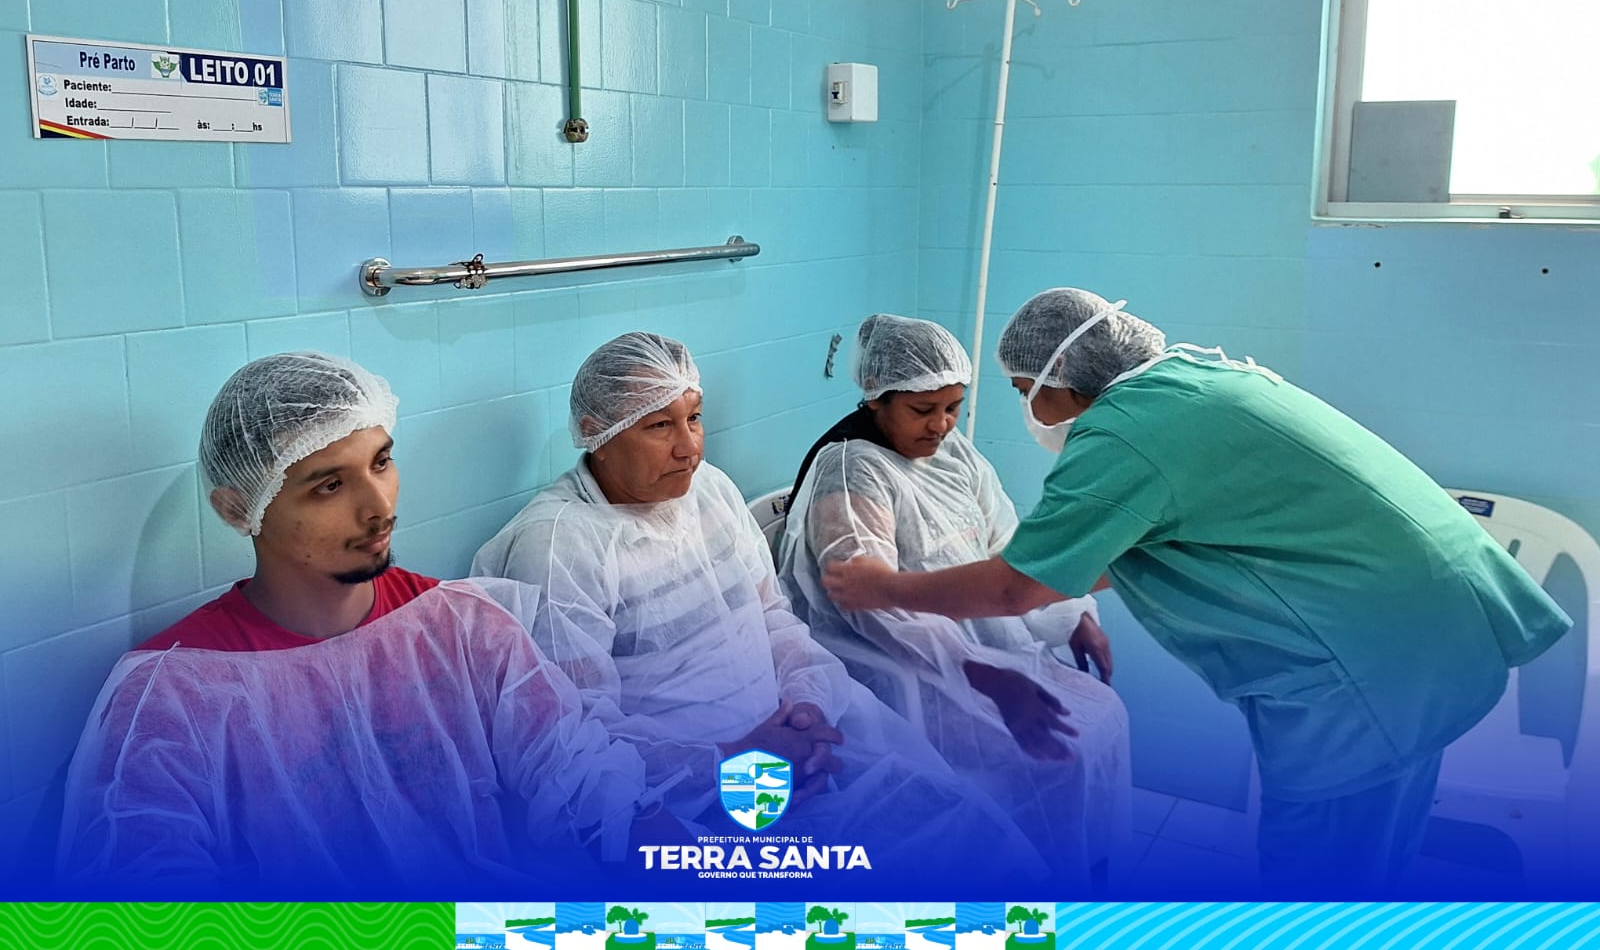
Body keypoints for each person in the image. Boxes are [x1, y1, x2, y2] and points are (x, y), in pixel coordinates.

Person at [822, 289, 1573, 898]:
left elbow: (1020, 581)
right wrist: (1058, 600)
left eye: (1024, 392)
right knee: (1372, 864)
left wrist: (884, 587)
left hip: (1366, 670)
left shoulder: (1124, 434)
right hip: (1432, 629)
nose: (1024, 414)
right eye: (926, 409)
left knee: (1320, 881)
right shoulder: (1197, 381)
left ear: (1060, 379)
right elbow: (1134, 546)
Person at [57, 352, 664, 899]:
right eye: (329, 485)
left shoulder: (462, 627)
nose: (379, 506)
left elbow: (590, 789)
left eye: (381, 462)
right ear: (239, 508)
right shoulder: (174, 695)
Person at [470, 331, 1047, 891]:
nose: (689, 447)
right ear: (598, 432)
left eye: (694, 418)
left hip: (789, 746)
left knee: (970, 830)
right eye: (659, 426)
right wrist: (732, 761)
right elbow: (571, 734)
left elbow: (772, 617)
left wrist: (807, 712)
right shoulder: (561, 544)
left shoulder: (709, 491)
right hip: (678, 797)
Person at [778, 314, 1133, 886]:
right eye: (923, 409)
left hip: (988, 648)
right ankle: (1033, 891)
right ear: (876, 397)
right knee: (1055, 755)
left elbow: (1008, 542)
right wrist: (984, 675)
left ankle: (1082, 883)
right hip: (910, 672)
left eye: (954, 407)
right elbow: (874, 609)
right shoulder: (851, 471)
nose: (941, 425)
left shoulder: (952, 453)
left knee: (1103, 717)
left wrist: (1071, 616)